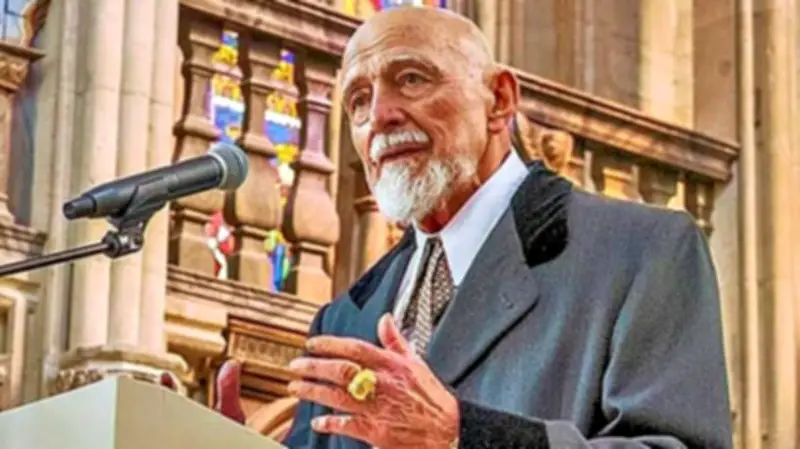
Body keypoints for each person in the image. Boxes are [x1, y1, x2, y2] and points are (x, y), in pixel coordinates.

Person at [201, 6, 733, 449]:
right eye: (358, 100)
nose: (380, 114)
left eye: (411, 79)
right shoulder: (344, 320)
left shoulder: (641, 252)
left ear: (499, 100)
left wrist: (463, 436)